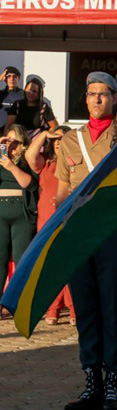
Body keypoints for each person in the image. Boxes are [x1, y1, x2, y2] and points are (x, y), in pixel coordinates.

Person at [58, 72, 117, 410]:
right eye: (91, 94)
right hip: (78, 234)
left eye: (104, 94)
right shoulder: (70, 141)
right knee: (86, 309)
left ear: (116, 98)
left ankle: (114, 384)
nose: (97, 99)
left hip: (111, 231)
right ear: (84, 99)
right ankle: (92, 381)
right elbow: (62, 191)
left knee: (113, 308)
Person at [30, 126, 73, 325]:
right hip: (46, 221)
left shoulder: (74, 164)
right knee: (50, 266)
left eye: (63, 141)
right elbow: (31, 156)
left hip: (68, 219)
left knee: (70, 264)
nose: (58, 144)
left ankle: (74, 308)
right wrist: (44, 135)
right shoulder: (46, 164)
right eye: (56, 142)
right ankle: (53, 307)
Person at [0, 124, 39, 296]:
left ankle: (20, 301)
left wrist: (11, 167)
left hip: (22, 213)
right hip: (1, 211)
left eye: (15, 141)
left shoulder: (27, 160)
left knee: (21, 259)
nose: (11, 144)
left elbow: (29, 184)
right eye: (8, 140)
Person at [0, 66, 24, 130]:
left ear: (18, 78)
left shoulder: (24, 94)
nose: (12, 79)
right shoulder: (1, 94)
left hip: (17, 132)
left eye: (15, 76)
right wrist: (0, 77)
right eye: (9, 76)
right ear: (5, 79)